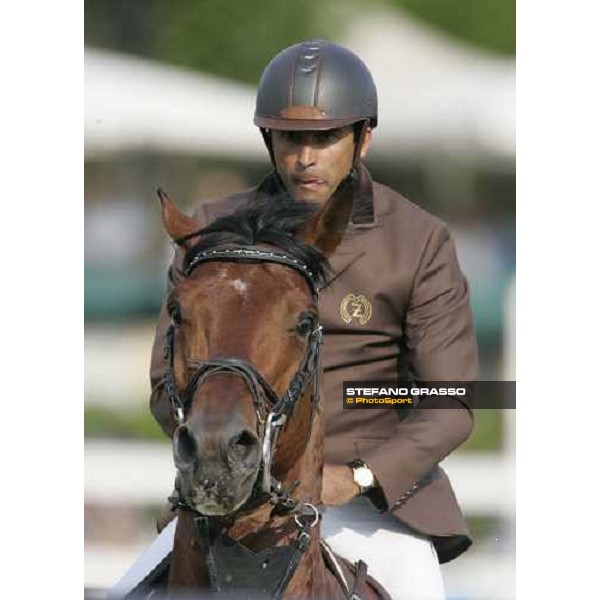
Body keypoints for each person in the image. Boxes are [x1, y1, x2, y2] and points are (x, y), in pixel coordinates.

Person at [149, 40, 478, 600]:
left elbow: (456, 397)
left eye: (324, 139)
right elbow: (165, 385)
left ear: (363, 138)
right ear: (268, 139)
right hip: (231, 497)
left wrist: (358, 473)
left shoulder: (418, 240)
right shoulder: (210, 230)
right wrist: (228, 464)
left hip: (369, 504)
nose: (305, 158)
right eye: (290, 138)